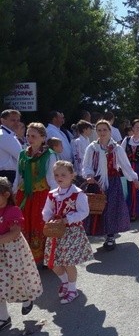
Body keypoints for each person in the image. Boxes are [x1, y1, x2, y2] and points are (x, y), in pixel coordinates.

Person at [82, 120, 139, 250]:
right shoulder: (92, 148)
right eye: (99, 130)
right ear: (96, 132)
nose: (102, 133)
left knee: (111, 209)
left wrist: (134, 179)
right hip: (97, 182)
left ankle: (110, 236)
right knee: (96, 208)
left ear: (110, 131)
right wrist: (89, 175)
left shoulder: (116, 148)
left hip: (113, 181)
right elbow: (86, 165)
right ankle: (96, 232)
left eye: (105, 130)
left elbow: (125, 165)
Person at [42, 161, 93, 304]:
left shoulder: (77, 194)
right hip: (55, 233)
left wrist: (67, 219)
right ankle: (65, 282)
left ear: (72, 175)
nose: (60, 177)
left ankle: (72, 289)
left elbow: (84, 212)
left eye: (63, 174)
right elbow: (46, 211)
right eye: (57, 174)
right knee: (53, 263)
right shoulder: (52, 194)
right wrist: (50, 219)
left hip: (71, 232)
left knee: (68, 262)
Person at [0, 177, 42, 331]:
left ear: (5, 194)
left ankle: (26, 298)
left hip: (12, 252)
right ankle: (3, 317)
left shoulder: (12, 211)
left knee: (18, 277)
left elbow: (15, 233)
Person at [15, 122, 59, 264]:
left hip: (41, 195)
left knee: (40, 224)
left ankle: (44, 257)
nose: (30, 138)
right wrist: (14, 194)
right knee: (23, 224)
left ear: (43, 138)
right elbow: (18, 176)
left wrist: (55, 199)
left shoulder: (49, 155)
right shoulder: (23, 154)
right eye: (28, 135)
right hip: (24, 195)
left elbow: (52, 179)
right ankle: (26, 257)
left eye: (34, 136)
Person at [0, 109, 23, 183]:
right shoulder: (4, 135)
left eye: (18, 120)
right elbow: (21, 156)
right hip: (6, 175)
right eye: (13, 120)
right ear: (3, 120)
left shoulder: (8, 135)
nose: (16, 123)